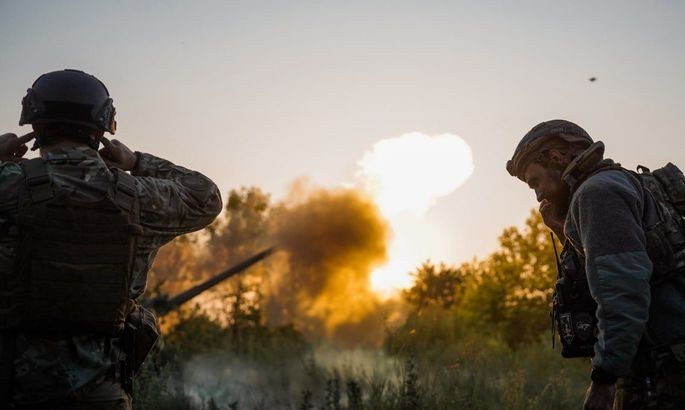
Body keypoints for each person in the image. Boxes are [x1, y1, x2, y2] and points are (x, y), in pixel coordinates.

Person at [0, 69, 222, 409]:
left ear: (34, 125)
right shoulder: (138, 197)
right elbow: (205, 196)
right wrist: (136, 162)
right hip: (101, 395)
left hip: (13, 389)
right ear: (102, 130)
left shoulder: (9, 186)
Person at [507, 119, 685, 410]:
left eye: (535, 182)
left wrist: (604, 378)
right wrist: (565, 232)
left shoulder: (596, 194)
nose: (538, 195)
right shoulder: (621, 182)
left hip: (664, 370)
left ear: (555, 156)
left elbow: (622, 293)